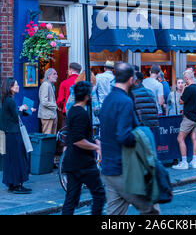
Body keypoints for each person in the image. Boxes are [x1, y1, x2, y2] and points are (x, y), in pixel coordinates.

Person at [100, 62, 159, 215]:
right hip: (124, 171)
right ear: (131, 80)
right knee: (151, 210)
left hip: (108, 170)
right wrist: (140, 139)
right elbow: (124, 135)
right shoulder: (125, 102)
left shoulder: (108, 100)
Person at [61, 81, 106, 215]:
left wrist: (95, 141)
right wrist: (96, 147)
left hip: (72, 162)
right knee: (99, 194)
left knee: (71, 199)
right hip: (84, 163)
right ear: (87, 96)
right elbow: (78, 140)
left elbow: (77, 135)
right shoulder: (81, 114)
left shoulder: (73, 111)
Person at [1, 78, 35, 194]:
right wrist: (22, 108)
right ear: (10, 87)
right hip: (13, 134)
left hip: (6, 134)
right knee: (18, 159)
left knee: (9, 160)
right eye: (16, 84)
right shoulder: (11, 100)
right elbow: (16, 116)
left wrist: (27, 110)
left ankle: (11, 183)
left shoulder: (5, 100)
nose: (18, 86)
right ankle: (17, 185)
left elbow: (12, 115)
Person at [172, 69, 196, 170]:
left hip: (189, 117)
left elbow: (181, 101)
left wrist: (183, 90)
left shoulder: (189, 89)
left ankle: (184, 162)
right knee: (194, 138)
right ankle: (194, 162)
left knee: (180, 138)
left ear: (186, 78)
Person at [38, 68, 58, 135]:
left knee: (52, 137)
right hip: (47, 116)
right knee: (47, 136)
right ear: (48, 76)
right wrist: (55, 105)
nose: (56, 76)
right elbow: (44, 101)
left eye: (56, 74)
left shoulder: (52, 86)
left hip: (52, 115)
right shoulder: (46, 85)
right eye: (54, 74)